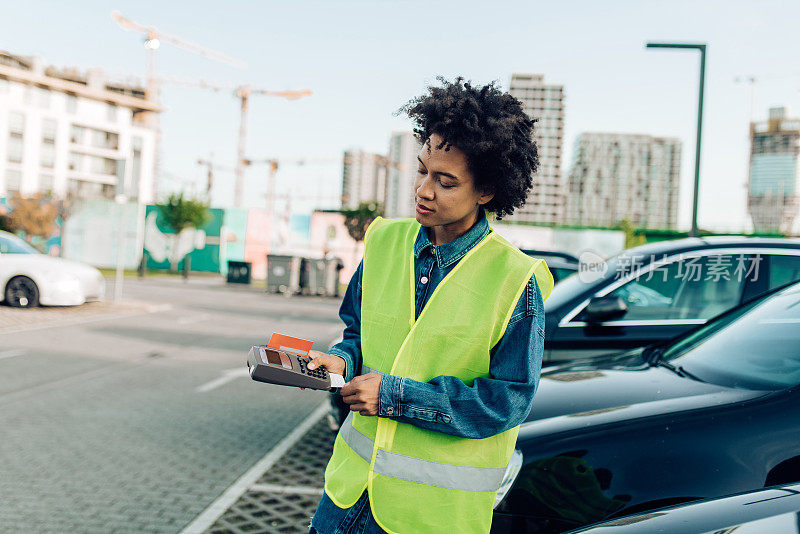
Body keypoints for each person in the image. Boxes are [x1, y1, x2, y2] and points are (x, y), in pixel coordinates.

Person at [306, 76, 554, 534]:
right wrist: (334, 363)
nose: (424, 190)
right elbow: (359, 337)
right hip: (345, 499)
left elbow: (507, 401)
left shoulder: (516, 279)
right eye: (422, 171)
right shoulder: (382, 242)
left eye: (445, 181)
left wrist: (397, 398)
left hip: (429, 519)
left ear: (486, 192)